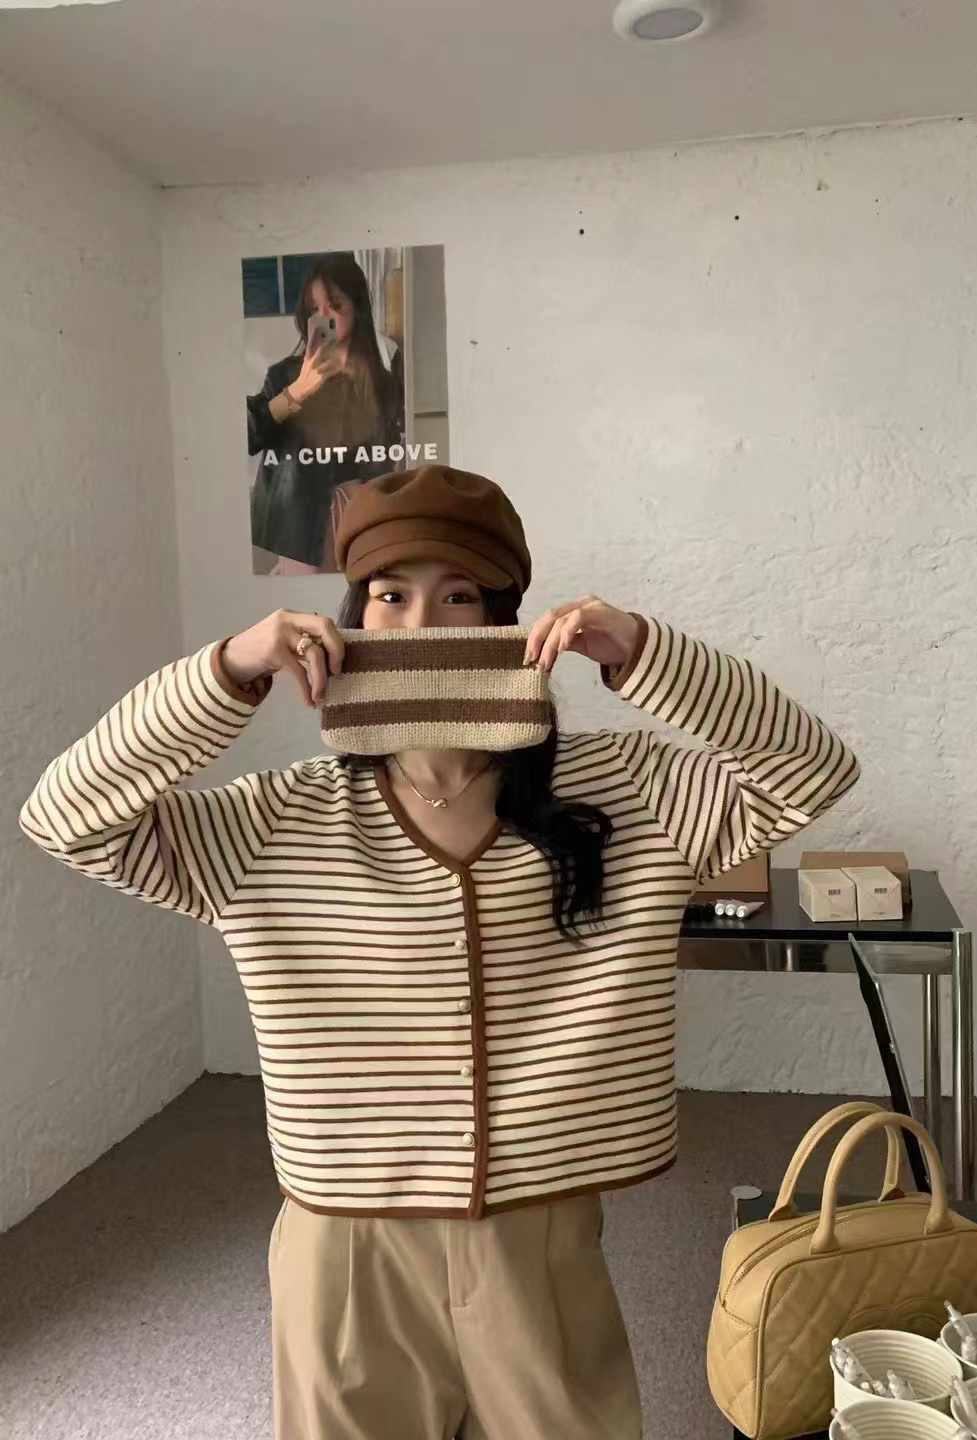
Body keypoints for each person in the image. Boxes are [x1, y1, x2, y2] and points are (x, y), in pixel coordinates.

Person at [19, 464, 860, 1440]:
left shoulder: (625, 791)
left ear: (504, 620)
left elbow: (813, 769)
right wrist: (228, 673)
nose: (422, 622)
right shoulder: (277, 822)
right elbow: (65, 817)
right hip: (345, 1249)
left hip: (539, 1230)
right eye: (390, 595)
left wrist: (642, 651)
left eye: (460, 596)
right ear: (352, 620)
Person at [247, 252, 405, 575]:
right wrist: (297, 391)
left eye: (335, 304)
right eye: (314, 308)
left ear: (357, 308)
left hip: (360, 525)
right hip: (299, 531)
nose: (323, 316)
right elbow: (247, 435)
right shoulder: (284, 376)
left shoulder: (380, 382)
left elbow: (385, 463)